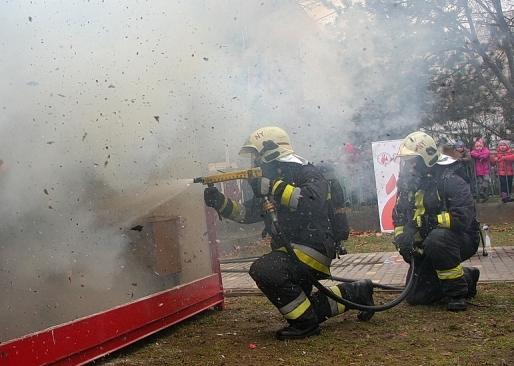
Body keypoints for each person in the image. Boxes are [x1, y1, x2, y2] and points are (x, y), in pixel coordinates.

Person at [203, 126, 375, 340]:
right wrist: (220, 203)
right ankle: (358, 293)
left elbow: (311, 201)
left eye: (257, 156)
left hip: (312, 248)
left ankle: (306, 324)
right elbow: (248, 213)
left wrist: (272, 186)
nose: (255, 162)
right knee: (304, 304)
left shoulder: (306, 172)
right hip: (292, 249)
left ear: (271, 151)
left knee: (265, 270)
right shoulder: (274, 179)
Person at [392, 131, 480, 312]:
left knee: (437, 239)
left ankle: (457, 294)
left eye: (412, 161)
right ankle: (467, 276)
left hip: (459, 239)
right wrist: (402, 238)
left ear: (426, 159)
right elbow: (399, 215)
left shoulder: (450, 180)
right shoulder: (410, 184)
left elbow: (463, 218)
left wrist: (430, 222)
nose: (409, 166)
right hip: (429, 241)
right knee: (416, 296)